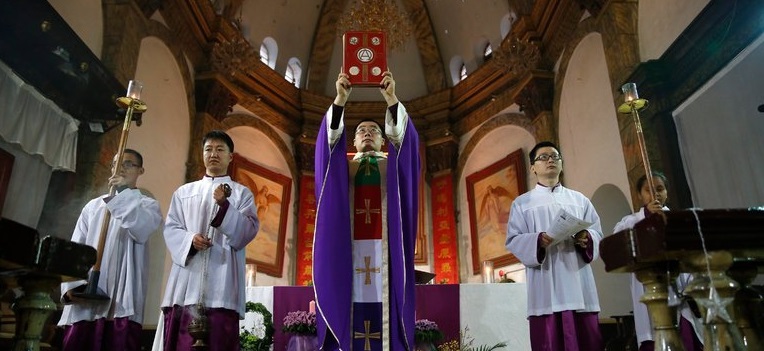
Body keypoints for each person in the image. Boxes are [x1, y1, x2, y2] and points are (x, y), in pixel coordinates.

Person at [313, 71, 420, 351]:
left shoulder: (393, 167)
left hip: (387, 256)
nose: (368, 134)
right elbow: (328, 144)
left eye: (374, 130)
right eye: (361, 131)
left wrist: (391, 98)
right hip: (348, 256)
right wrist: (340, 99)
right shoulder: (341, 170)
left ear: (384, 139)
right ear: (354, 141)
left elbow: (406, 142)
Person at [158, 130, 260, 351]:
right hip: (186, 283)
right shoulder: (184, 192)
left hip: (222, 286)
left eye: (220, 149)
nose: (213, 154)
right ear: (202, 154)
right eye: (208, 149)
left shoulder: (242, 194)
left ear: (230, 157)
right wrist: (189, 240)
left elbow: (247, 232)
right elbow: (172, 228)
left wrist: (225, 207)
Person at [58, 149, 163, 351]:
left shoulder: (147, 205)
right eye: (116, 163)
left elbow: (140, 229)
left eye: (128, 163)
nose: (121, 168)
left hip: (121, 299)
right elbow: (76, 247)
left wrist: (121, 195)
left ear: (141, 170)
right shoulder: (93, 206)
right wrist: (72, 287)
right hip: (86, 297)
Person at [505, 141, 604, 351]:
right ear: (533, 167)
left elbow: (598, 234)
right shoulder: (522, 203)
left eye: (555, 156)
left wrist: (587, 238)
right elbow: (513, 240)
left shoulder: (580, 200)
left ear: (561, 163)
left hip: (579, 285)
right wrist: (537, 240)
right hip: (545, 287)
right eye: (543, 157)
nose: (550, 160)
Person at [612, 172, 703, 351]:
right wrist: (648, 218)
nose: (655, 194)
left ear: (667, 192)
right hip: (650, 291)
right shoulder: (630, 221)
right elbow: (619, 241)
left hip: (681, 294)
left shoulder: (679, 220)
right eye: (648, 190)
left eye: (660, 189)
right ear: (639, 195)